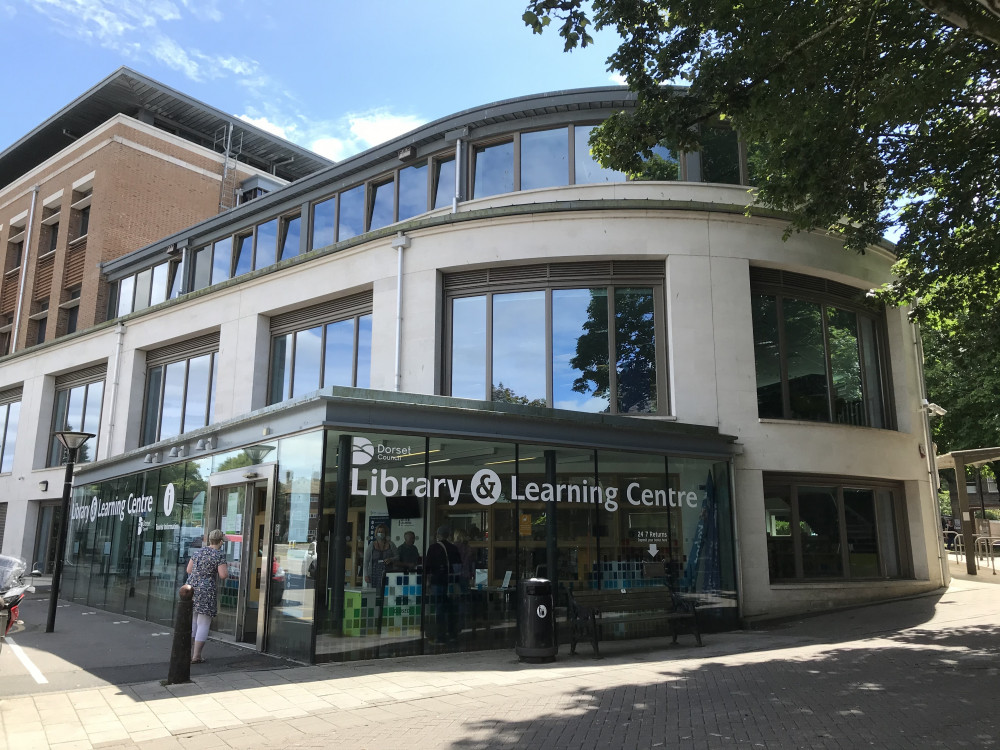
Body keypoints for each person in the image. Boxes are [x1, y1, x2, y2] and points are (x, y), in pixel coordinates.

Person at [186, 529, 228, 664]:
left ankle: (186, 653)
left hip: (192, 587)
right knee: (203, 623)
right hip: (206, 589)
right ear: (220, 542)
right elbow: (223, 575)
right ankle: (196, 655)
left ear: (209, 540)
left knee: (193, 621)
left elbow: (188, 570)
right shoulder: (218, 555)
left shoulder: (198, 552)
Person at [424, 525, 462, 645]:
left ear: (438, 535)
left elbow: (427, 567)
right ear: (448, 535)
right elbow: (458, 566)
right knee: (451, 609)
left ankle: (440, 637)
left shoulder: (433, 548)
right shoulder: (453, 548)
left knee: (439, 609)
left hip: (437, 582)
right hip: (451, 582)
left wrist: (427, 582)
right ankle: (452, 635)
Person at [362, 524, 397, 593]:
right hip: (373, 573)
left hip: (387, 572)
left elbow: (397, 556)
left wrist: (391, 559)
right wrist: (366, 575)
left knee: (387, 592)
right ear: (376, 533)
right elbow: (366, 561)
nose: (380, 533)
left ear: (385, 533)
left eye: (382, 532)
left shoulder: (391, 544)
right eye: (379, 531)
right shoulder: (372, 545)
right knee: (373, 593)